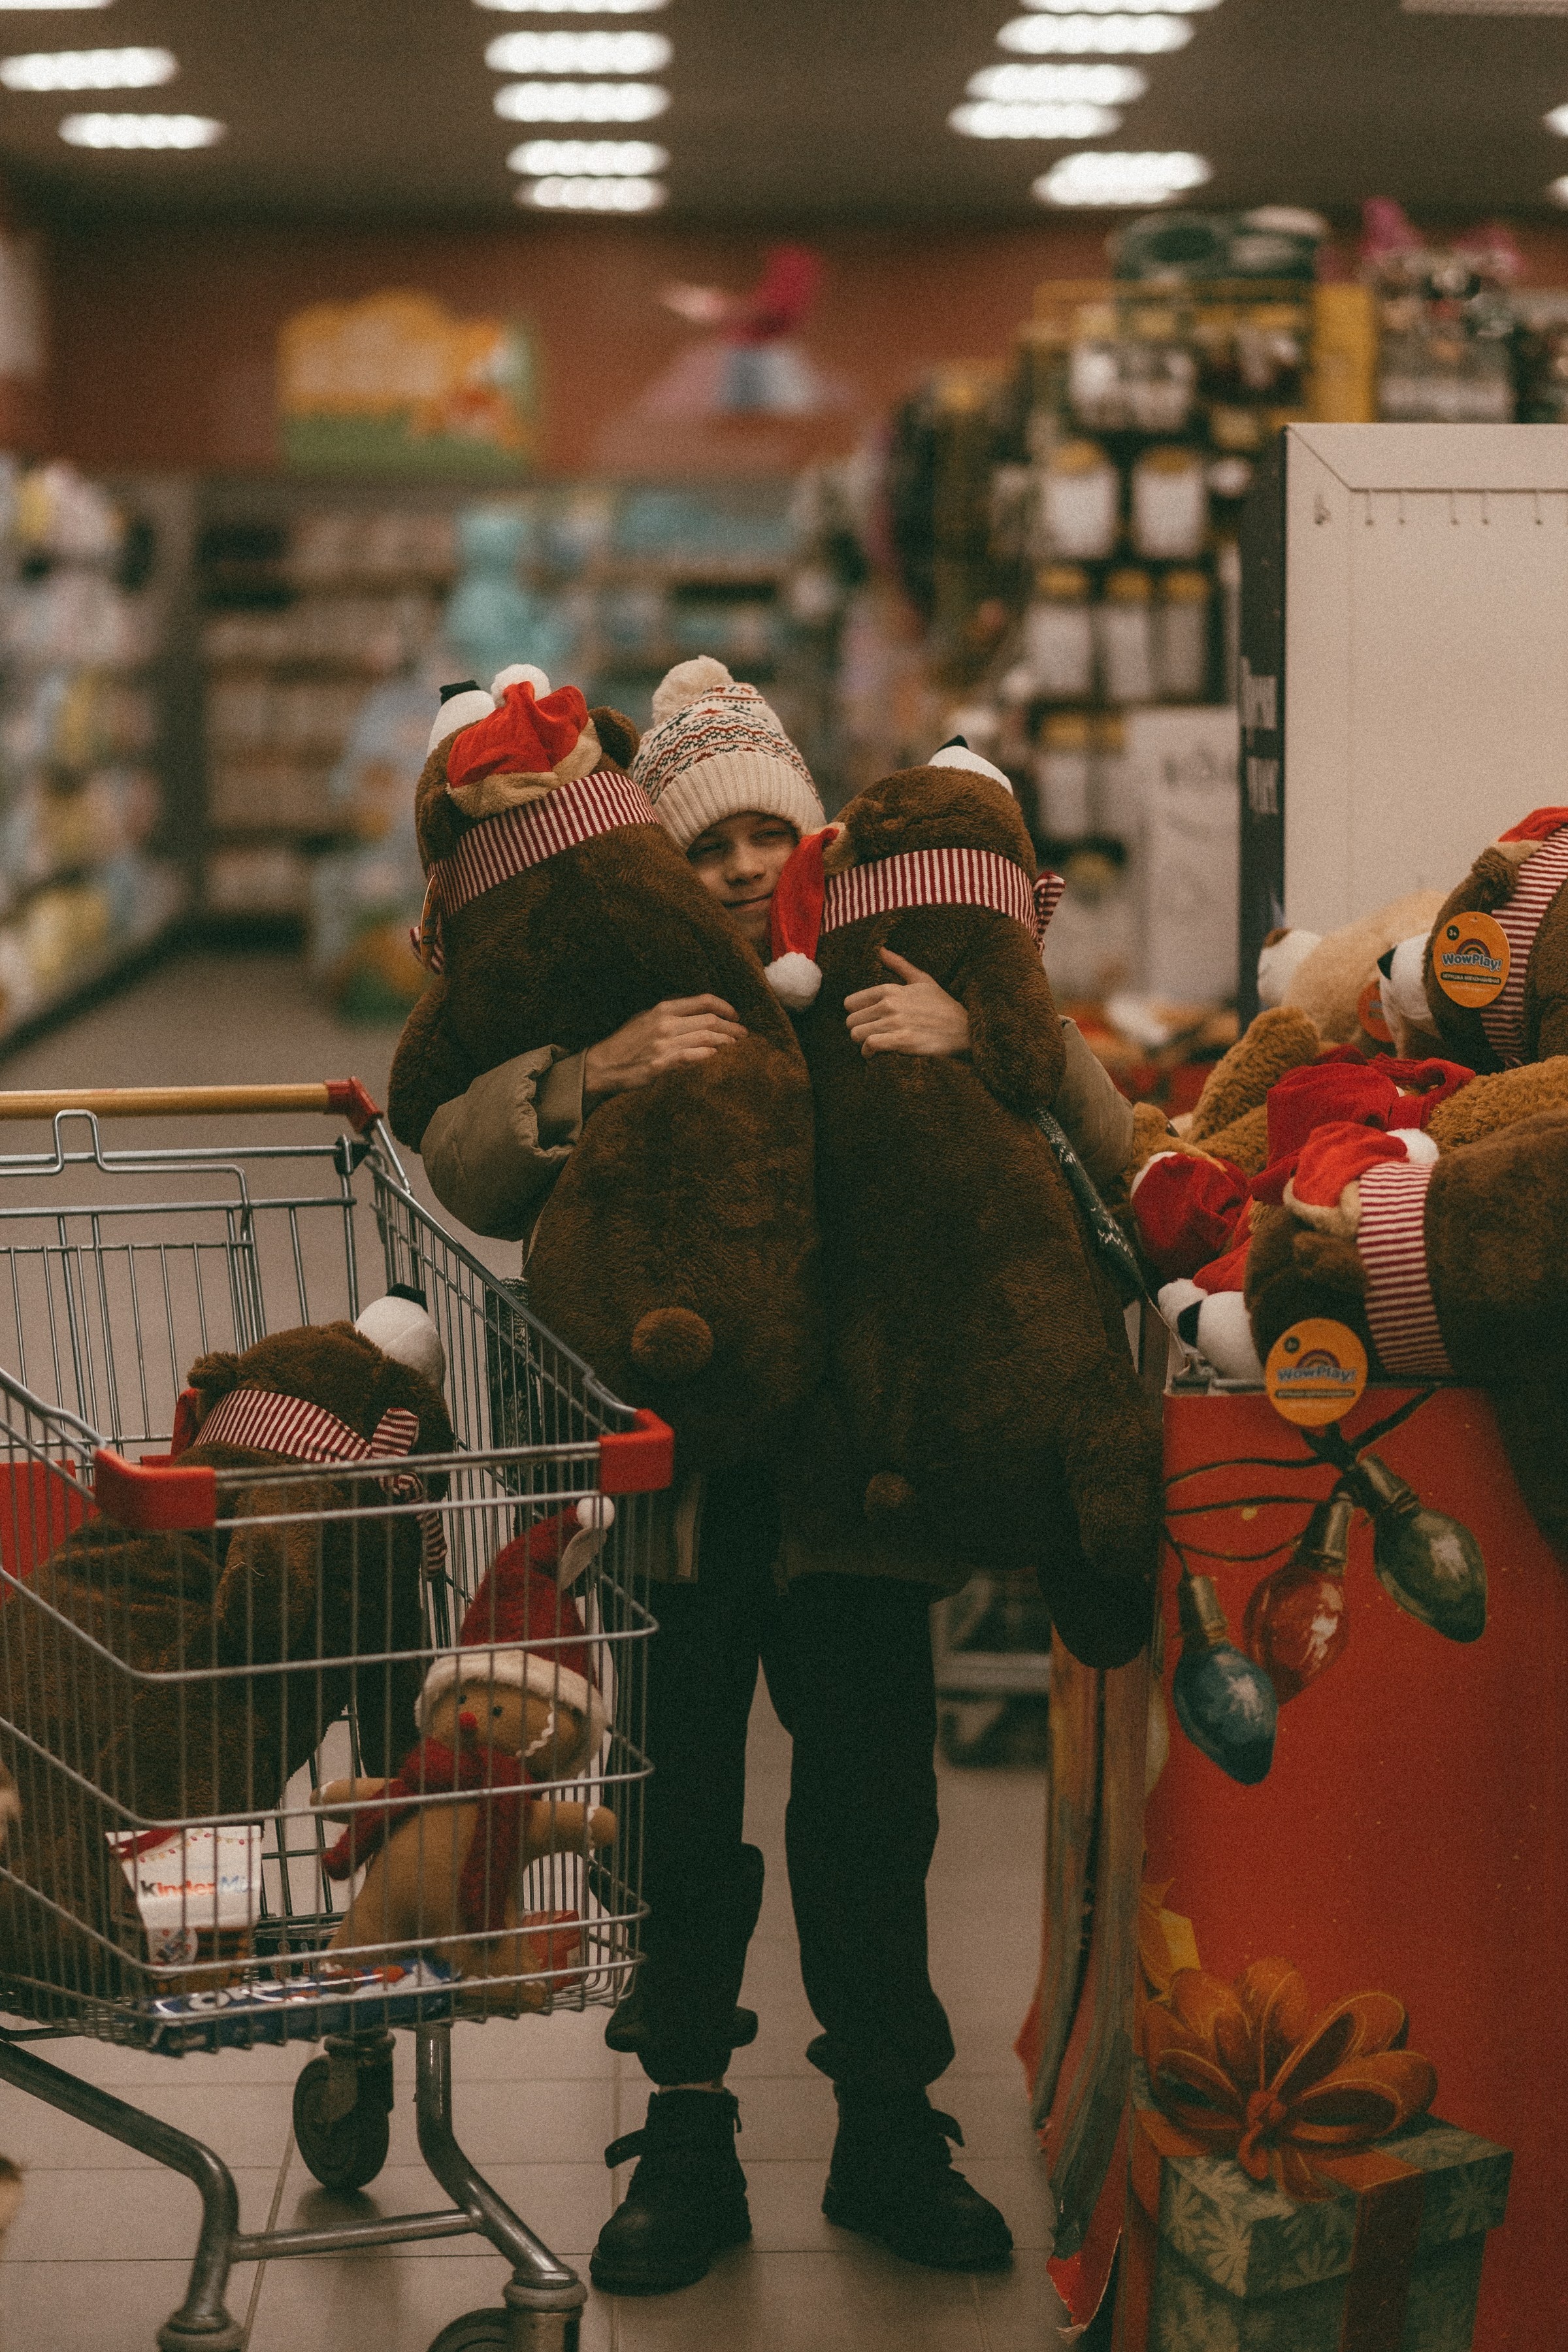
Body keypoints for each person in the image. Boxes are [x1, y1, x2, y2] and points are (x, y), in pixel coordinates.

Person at [417, 661, 1134, 2298]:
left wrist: (978, 1042)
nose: (742, 869)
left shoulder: (892, 958)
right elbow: (458, 1148)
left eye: (767, 832)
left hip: (864, 1491)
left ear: (810, 830)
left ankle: (890, 2126)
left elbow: (1093, 1109)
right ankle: (680, 2131)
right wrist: (583, 1075)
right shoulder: (632, 975)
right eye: (710, 844)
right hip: (683, 1492)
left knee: (876, 1811)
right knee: (677, 1820)